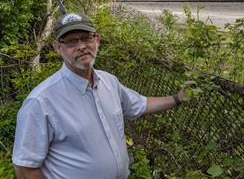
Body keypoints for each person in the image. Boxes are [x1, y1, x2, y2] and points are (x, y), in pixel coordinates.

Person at [12, 13, 185, 179]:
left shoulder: (109, 82)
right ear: (58, 47)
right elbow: (25, 166)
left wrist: (179, 97)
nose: (81, 46)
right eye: (72, 41)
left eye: (87, 37)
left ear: (97, 40)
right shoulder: (41, 102)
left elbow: (140, 104)